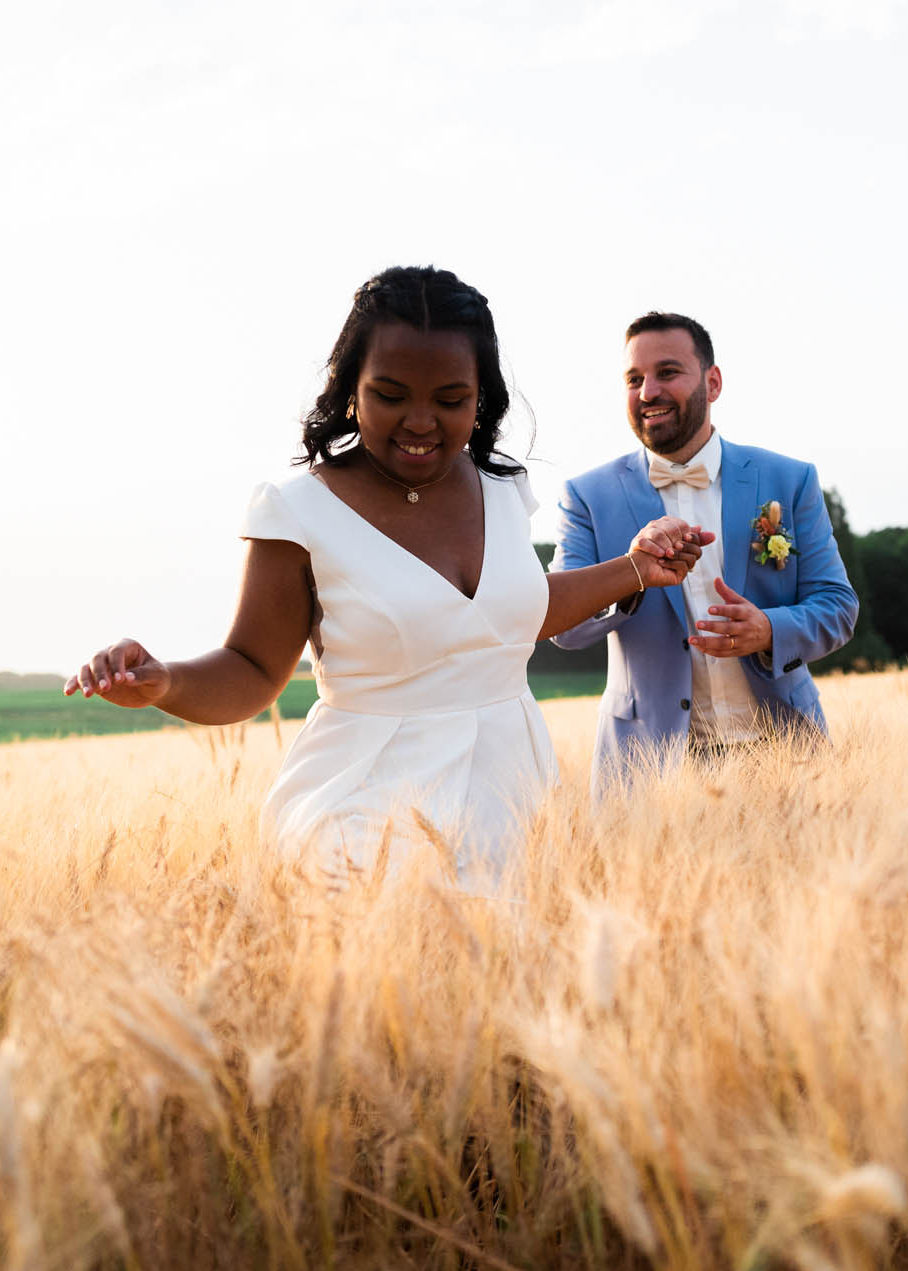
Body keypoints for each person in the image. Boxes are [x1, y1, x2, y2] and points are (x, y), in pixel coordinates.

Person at [66, 267, 709, 887]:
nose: (421, 422)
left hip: (515, 798)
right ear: (351, 387)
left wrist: (632, 570)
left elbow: (512, 616)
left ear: (482, 396)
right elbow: (252, 668)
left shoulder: (504, 487)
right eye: (390, 395)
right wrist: (166, 682)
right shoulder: (296, 510)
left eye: (451, 399)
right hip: (365, 808)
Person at [550, 311, 858, 787]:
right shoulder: (586, 496)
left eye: (667, 372)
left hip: (789, 759)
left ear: (712, 383)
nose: (648, 391)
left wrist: (770, 630)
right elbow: (563, 630)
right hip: (648, 770)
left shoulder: (790, 480)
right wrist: (632, 575)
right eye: (634, 379)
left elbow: (838, 608)